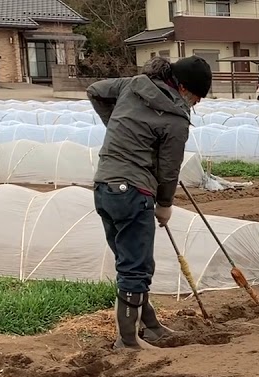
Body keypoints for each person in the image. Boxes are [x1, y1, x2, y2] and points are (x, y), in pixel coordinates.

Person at [87, 55, 212, 350]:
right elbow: (168, 171)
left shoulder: (133, 86)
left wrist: (121, 130)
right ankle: (128, 342)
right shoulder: (176, 119)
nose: (196, 103)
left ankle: (150, 326)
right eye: (197, 97)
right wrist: (165, 204)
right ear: (184, 89)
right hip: (133, 191)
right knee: (136, 268)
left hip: (105, 187)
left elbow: (95, 90)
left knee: (132, 260)